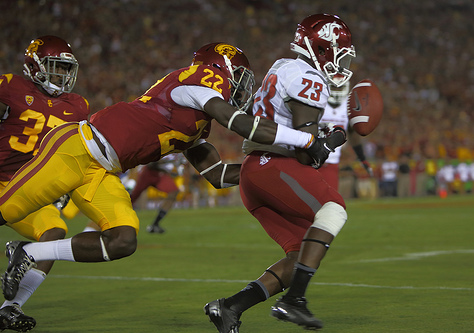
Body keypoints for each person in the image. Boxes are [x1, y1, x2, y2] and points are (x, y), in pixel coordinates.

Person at [0, 41, 346, 319]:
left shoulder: (195, 121)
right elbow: (242, 125)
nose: (242, 86)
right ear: (221, 67)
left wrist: (272, 167)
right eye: (239, 76)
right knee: (6, 209)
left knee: (123, 240)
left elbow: (219, 176)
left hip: (101, 169)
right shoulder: (198, 81)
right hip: (76, 151)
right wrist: (307, 140)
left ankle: (27, 255)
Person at [204, 14, 355, 332]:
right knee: (334, 210)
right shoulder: (309, 78)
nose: (341, 61)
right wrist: (333, 139)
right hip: (273, 167)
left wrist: (328, 137)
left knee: (301, 253)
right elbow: (307, 150)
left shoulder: (283, 67)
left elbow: (295, 132)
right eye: (339, 51)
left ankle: (230, 307)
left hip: (254, 174)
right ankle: (294, 301)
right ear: (323, 48)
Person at [0, 35, 89, 332]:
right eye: (56, 67)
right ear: (35, 65)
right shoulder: (10, 86)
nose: (62, 75)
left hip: (26, 189)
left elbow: (71, 152)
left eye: (66, 69)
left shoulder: (77, 106)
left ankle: (10, 307)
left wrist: (61, 185)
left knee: (55, 232)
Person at [317, 81, 373, 192]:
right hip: (310, 160)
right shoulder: (318, 100)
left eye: (339, 87)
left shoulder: (349, 105)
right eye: (334, 86)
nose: (336, 90)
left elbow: (353, 135)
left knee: (330, 202)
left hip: (332, 162)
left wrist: (362, 158)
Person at [129, 154, 187, 233]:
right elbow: (151, 163)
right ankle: (115, 219)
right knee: (132, 198)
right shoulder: (166, 144)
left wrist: (176, 167)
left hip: (161, 173)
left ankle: (155, 224)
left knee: (174, 192)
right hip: (148, 173)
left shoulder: (178, 150)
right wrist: (171, 161)